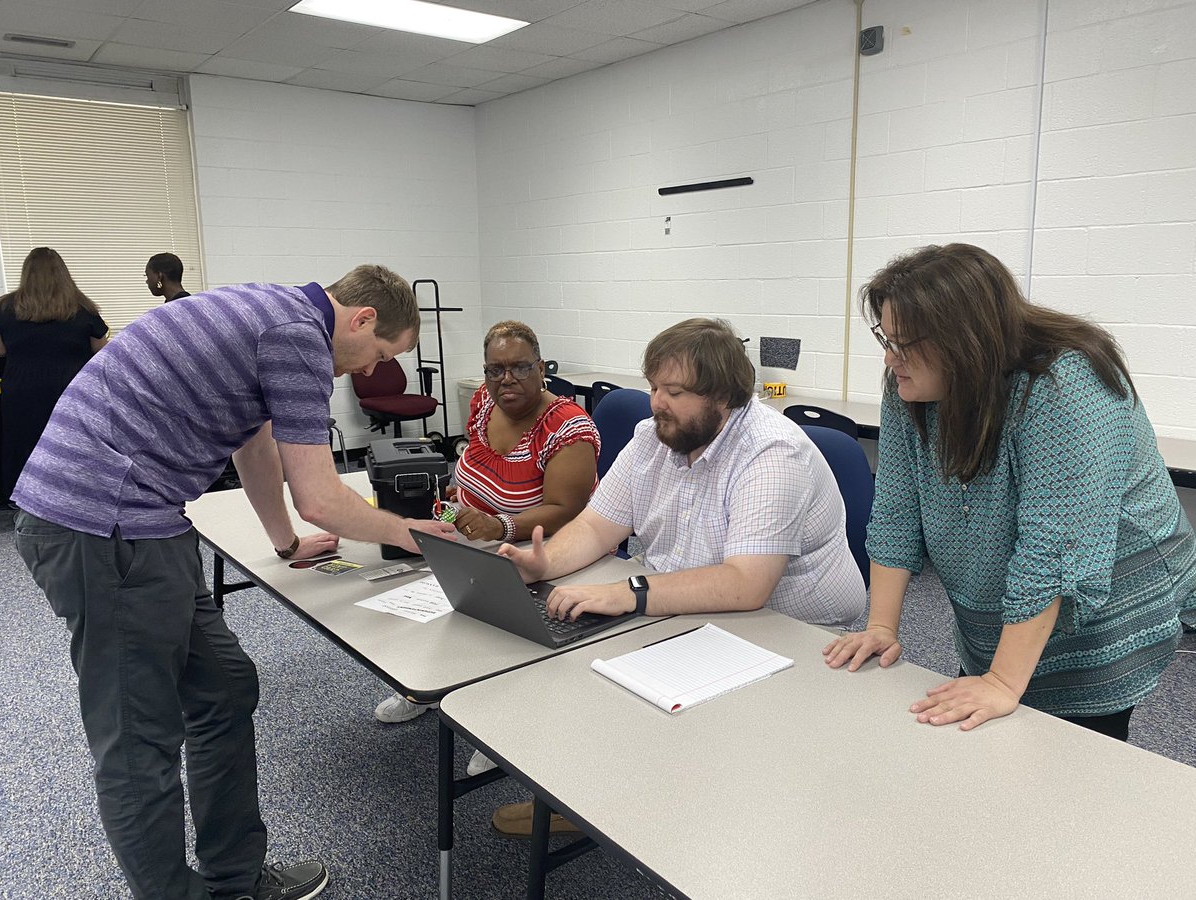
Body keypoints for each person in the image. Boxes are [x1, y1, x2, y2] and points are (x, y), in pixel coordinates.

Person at [12, 265, 456, 900]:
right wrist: (414, 533)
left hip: (133, 521)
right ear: (360, 320)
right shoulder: (301, 336)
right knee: (138, 742)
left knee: (223, 687)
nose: (368, 371)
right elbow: (321, 497)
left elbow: (255, 445)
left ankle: (234, 879)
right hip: (105, 527)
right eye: (380, 353)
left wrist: (286, 543)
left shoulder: (271, 312)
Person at [491, 317, 866, 836]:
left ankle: (649, 804)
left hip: (796, 634)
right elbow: (600, 525)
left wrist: (629, 592)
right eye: (653, 387)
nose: (656, 403)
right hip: (693, 607)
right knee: (582, 657)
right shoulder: (654, 436)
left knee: (631, 670)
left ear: (725, 398)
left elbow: (745, 585)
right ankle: (596, 797)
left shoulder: (772, 452)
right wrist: (546, 563)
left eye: (675, 391)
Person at [823, 243, 1196, 740]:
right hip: (1002, 619)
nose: (892, 359)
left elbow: (1054, 551)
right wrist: (881, 628)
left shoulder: (1066, 382)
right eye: (886, 340)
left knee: (1065, 771)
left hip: (1100, 621)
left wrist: (1001, 680)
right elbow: (895, 512)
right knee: (977, 742)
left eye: (905, 344)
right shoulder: (911, 385)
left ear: (965, 343)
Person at [374, 322, 601, 754]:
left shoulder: (569, 428)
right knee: (447, 600)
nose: (506, 379)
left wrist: (501, 526)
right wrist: (459, 498)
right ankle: (432, 687)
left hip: (552, 548)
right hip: (482, 536)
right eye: (495, 370)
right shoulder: (483, 401)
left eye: (519, 367)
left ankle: (499, 723)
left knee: (505, 622)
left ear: (541, 369)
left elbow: (566, 509)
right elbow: (478, 459)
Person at [0, 247, 109, 503]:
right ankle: (74, 498)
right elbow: (101, 352)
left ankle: (26, 501)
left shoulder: (4, 307)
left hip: (21, 391)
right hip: (70, 391)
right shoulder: (83, 308)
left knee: (24, 444)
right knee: (71, 446)